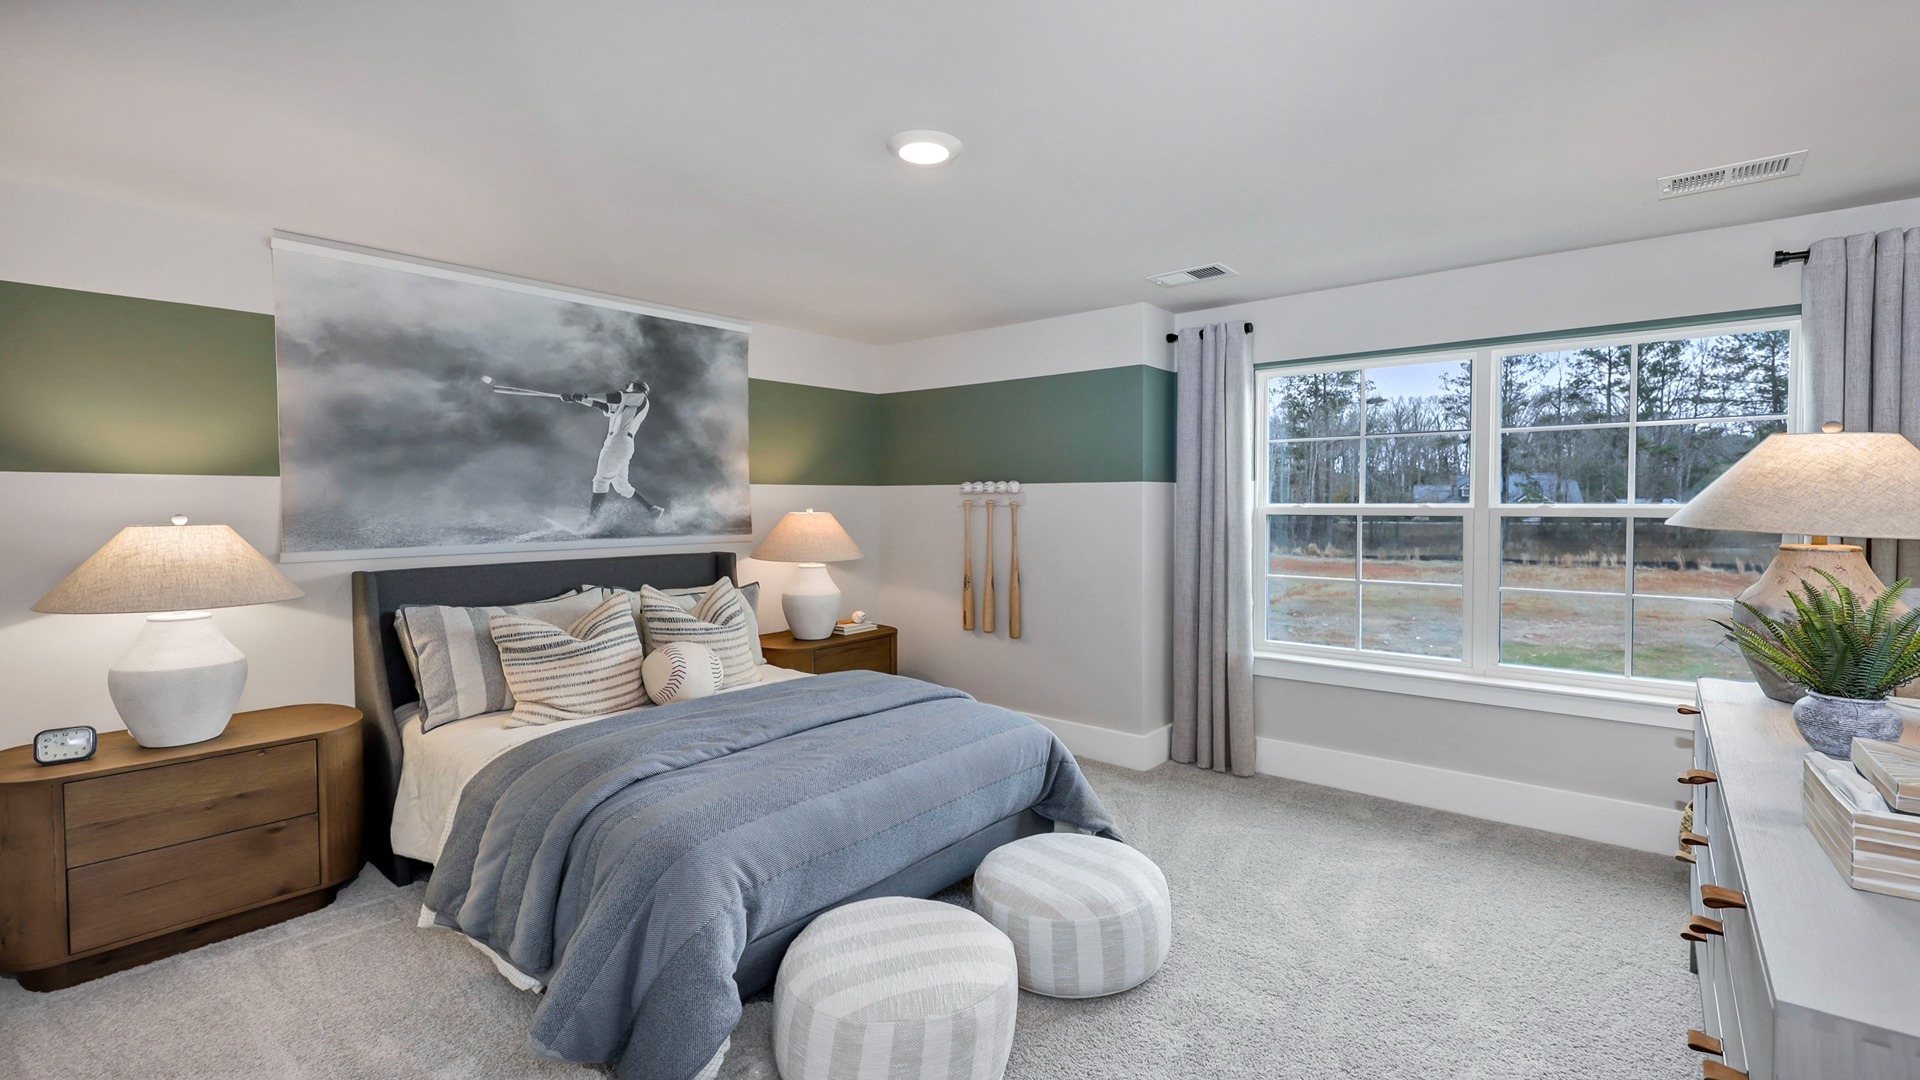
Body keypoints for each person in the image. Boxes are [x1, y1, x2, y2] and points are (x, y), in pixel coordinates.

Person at [561, 380, 667, 517]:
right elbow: (601, 405)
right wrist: (577, 399)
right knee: (622, 486)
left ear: (635, 387)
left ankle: (592, 521)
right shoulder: (626, 405)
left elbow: (615, 397)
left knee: (600, 481)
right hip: (621, 443)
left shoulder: (640, 397)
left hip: (618, 441)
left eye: (628, 387)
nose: (626, 389)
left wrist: (585, 395)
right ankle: (653, 509)